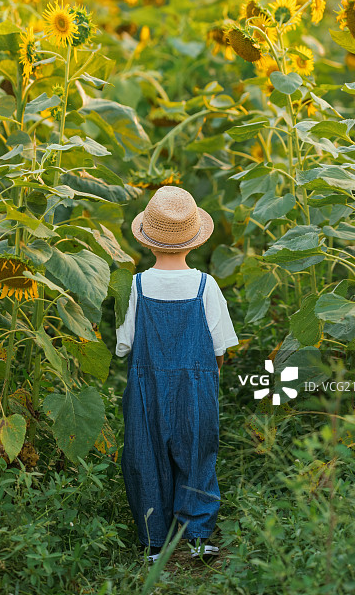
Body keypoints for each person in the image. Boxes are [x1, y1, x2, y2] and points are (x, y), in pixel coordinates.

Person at [116, 185, 239, 563]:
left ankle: (155, 542)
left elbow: (125, 344)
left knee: (145, 456)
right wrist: (206, 373)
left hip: (147, 384)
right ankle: (197, 536)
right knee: (197, 454)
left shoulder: (136, 285)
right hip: (196, 384)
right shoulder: (206, 285)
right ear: (194, 242)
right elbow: (220, 347)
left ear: (148, 243)